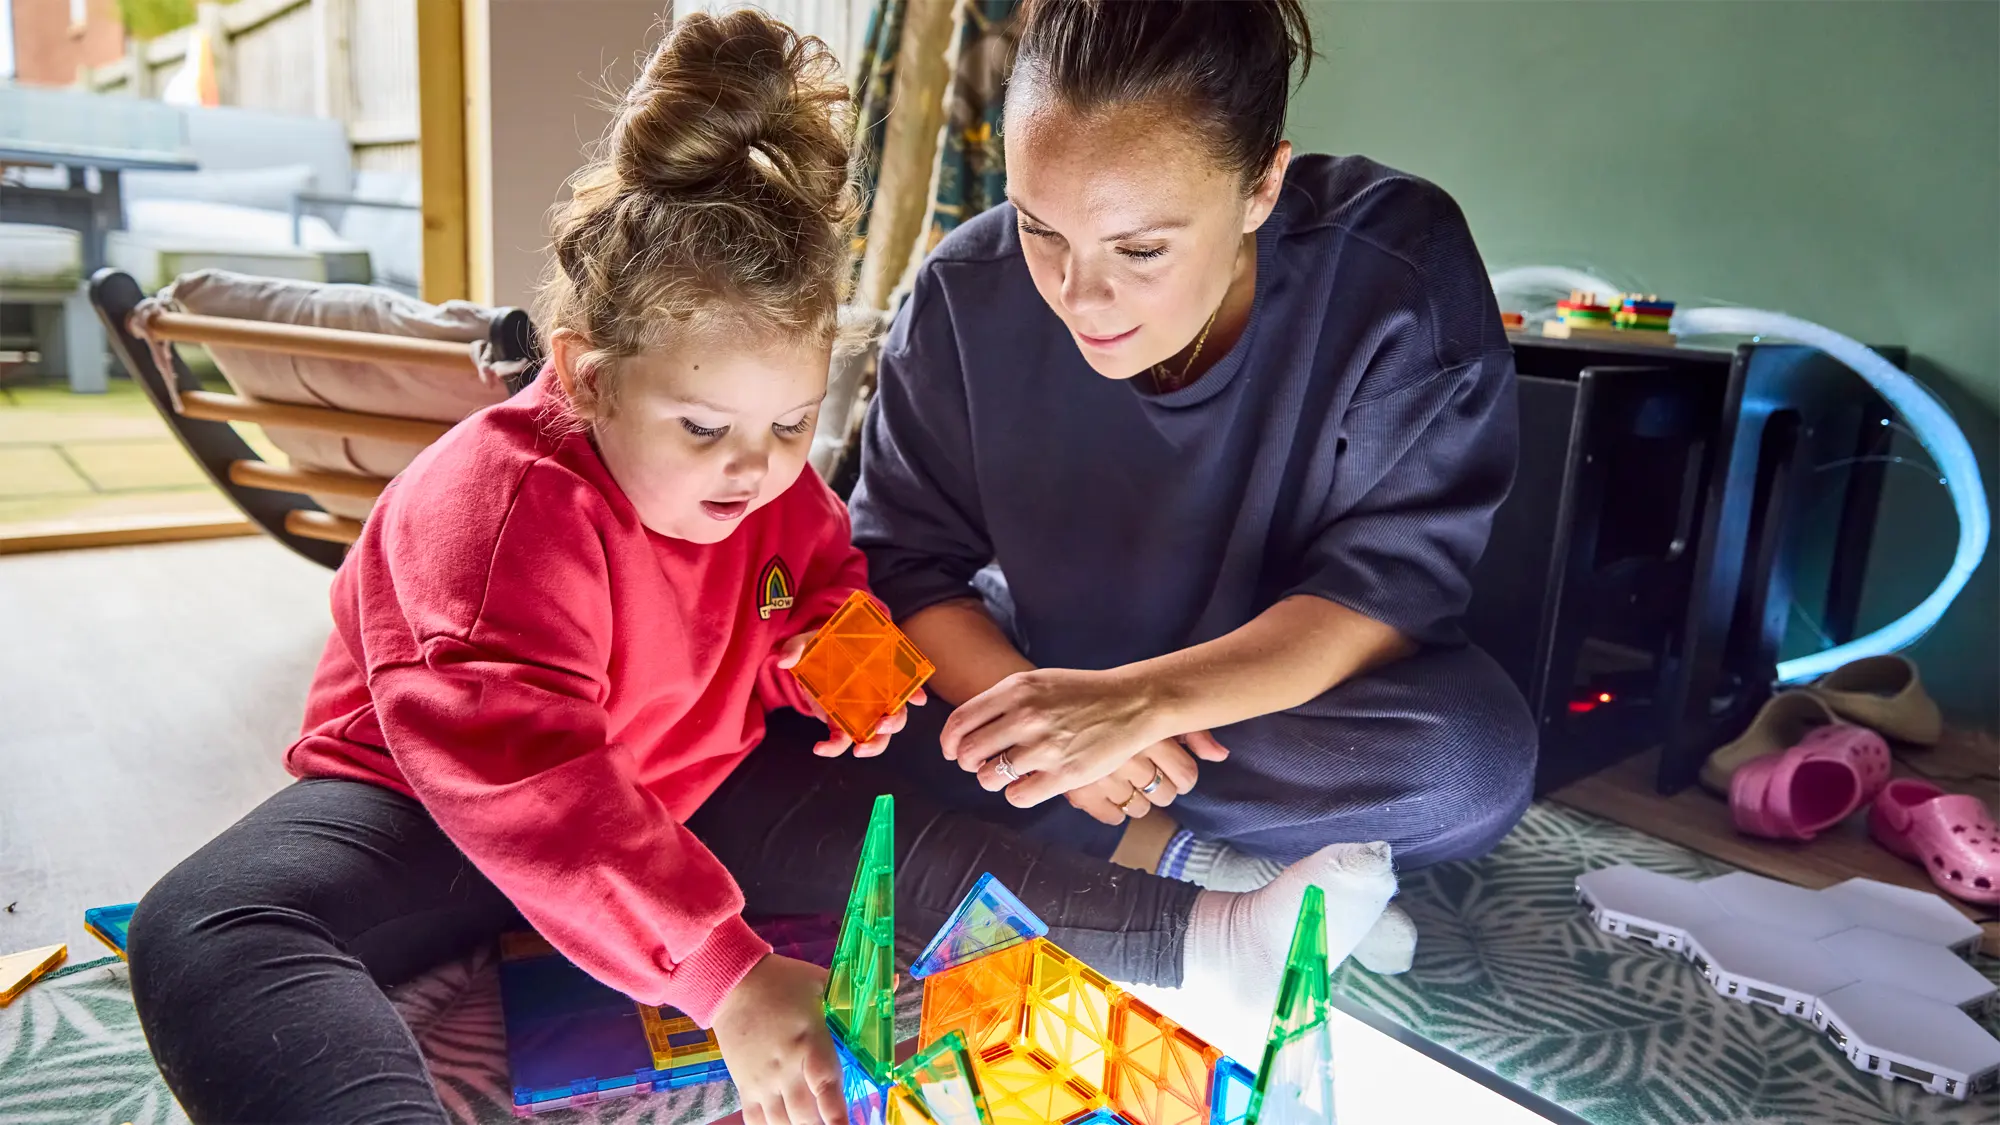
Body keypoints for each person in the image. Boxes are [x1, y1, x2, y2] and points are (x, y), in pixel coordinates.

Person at [125, 11, 1397, 1125]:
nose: (753, 469)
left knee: (909, 825)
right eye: (703, 430)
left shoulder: (771, 481)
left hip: (690, 782)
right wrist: (723, 973)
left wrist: (840, 663)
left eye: (790, 425)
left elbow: (823, 575)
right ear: (583, 377)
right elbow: (534, 784)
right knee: (208, 931)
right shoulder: (499, 511)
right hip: (439, 811)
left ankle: (1208, 940)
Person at [850, 0, 1539, 892]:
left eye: (1139, 248)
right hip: (1035, 667)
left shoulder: (1394, 271)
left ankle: (1072, 823)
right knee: (821, 704)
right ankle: (1182, 860)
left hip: (1255, 702)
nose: (1080, 296)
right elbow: (905, 568)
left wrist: (1135, 707)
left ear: (1261, 186)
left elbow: (1383, 592)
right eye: (1039, 227)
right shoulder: (962, 291)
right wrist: (1054, 722)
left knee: (1468, 764)